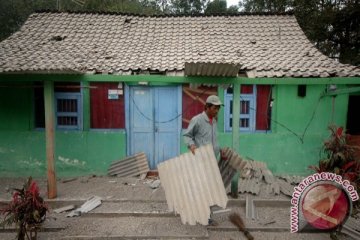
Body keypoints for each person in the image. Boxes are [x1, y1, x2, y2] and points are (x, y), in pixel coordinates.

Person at [183, 95, 224, 226]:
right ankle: (203, 216)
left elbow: (213, 140)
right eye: (214, 108)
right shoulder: (198, 120)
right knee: (202, 189)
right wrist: (192, 145)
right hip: (201, 161)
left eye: (218, 108)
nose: (216, 111)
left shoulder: (214, 121)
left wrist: (220, 149)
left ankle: (204, 214)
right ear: (206, 107)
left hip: (212, 161)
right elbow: (187, 135)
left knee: (208, 189)